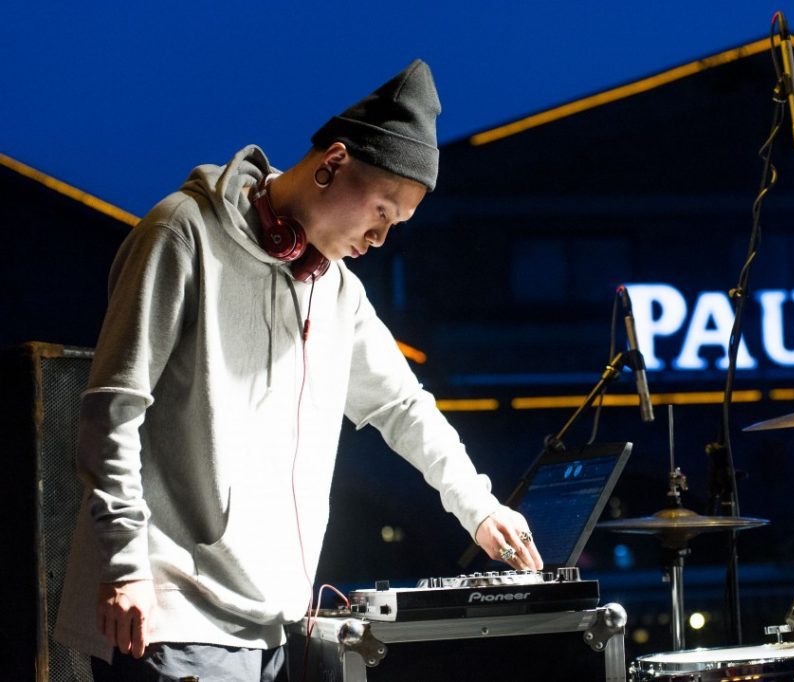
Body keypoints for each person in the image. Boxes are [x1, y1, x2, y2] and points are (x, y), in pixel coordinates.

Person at [55, 59, 543, 681]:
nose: (380, 238)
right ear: (332, 164)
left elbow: (403, 406)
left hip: (271, 625)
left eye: (396, 225)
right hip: (169, 616)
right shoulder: (182, 233)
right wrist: (125, 566)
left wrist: (478, 506)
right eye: (383, 211)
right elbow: (111, 413)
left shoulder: (335, 289)